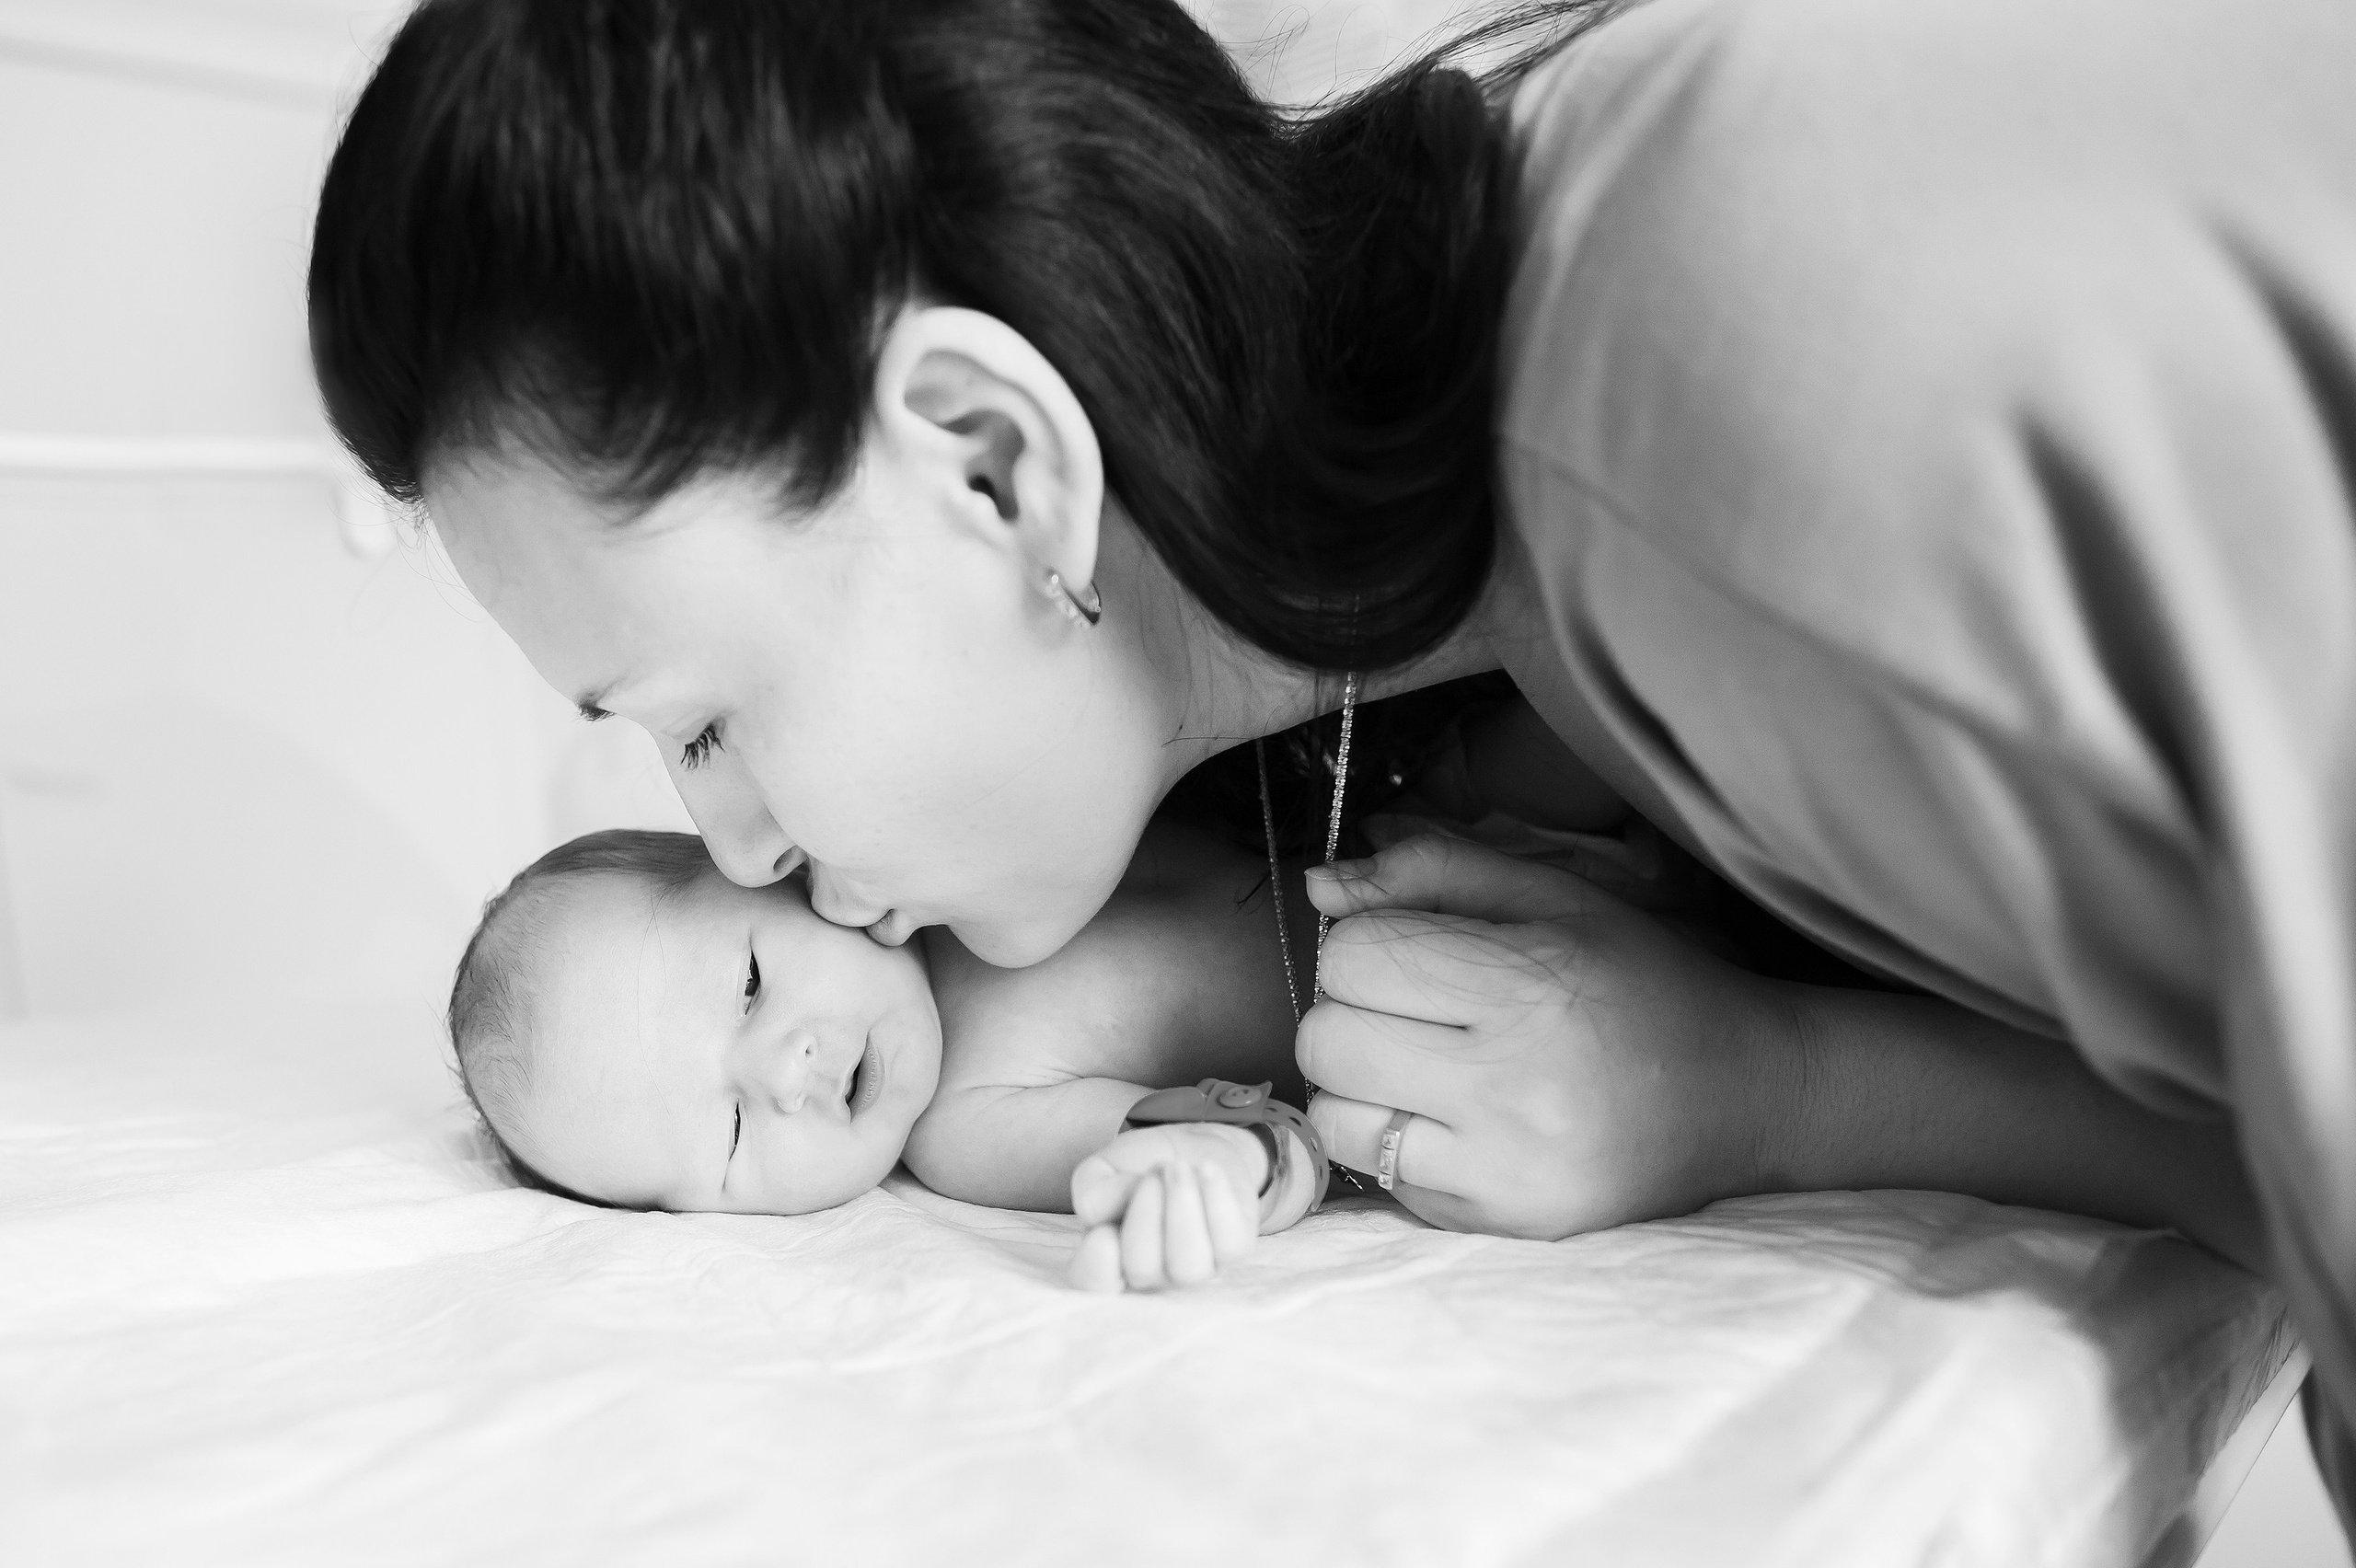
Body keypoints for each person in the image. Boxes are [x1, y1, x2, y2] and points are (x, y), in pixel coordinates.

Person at [306, 0, 2356, 1521]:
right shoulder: (1396, 678)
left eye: (704, 729)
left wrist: (1772, 1097)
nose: (741, 846)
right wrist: (1741, 1079)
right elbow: (2236, 1125)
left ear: (995, 464)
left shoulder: (1709, 392)